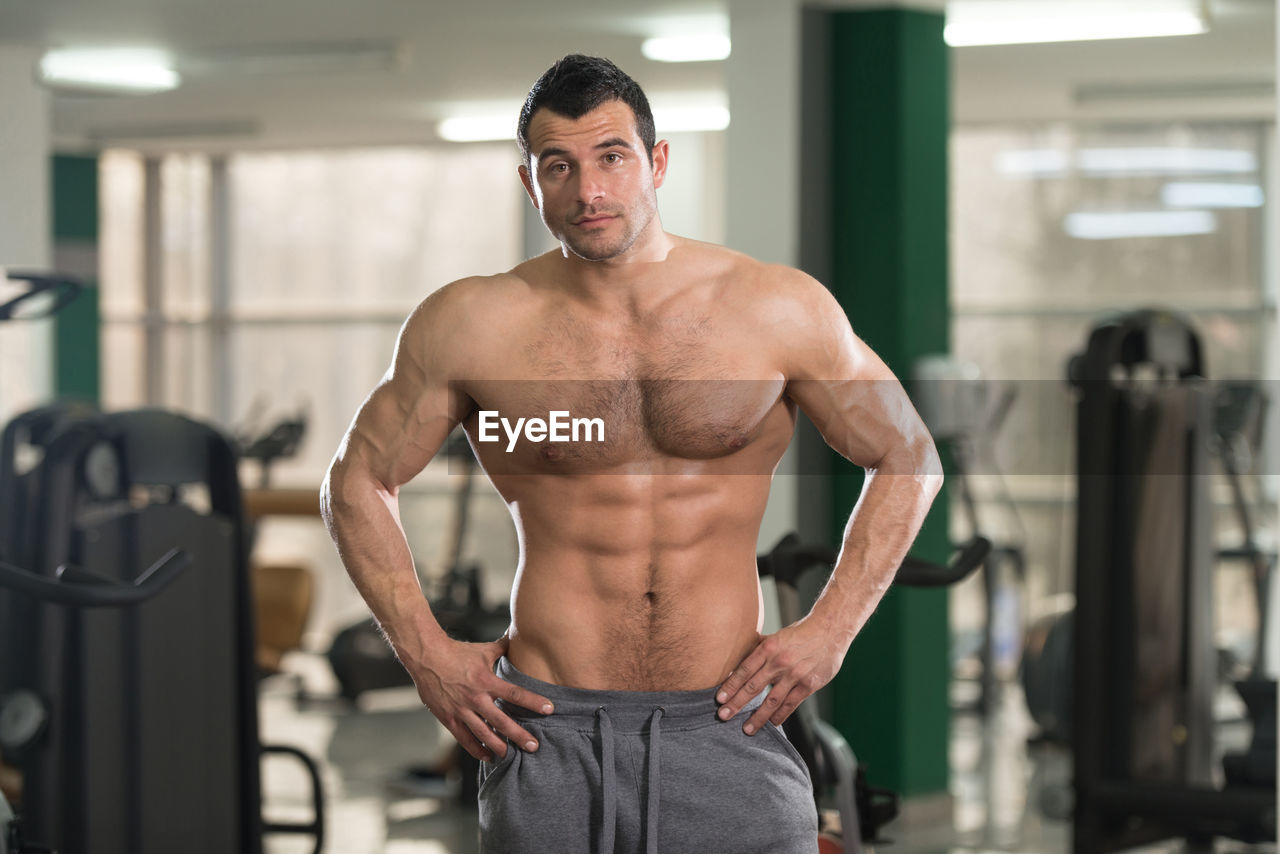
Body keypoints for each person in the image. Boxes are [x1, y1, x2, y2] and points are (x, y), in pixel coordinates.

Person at [321, 54, 942, 854]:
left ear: (657, 162)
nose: (590, 191)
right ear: (530, 183)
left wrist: (831, 631)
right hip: (548, 730)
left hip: (729, 721)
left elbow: (908, 454)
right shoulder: (472, 323)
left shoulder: (775, 307)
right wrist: (426, 652)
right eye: (560, 167)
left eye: (612, 157)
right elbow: (357, 481)